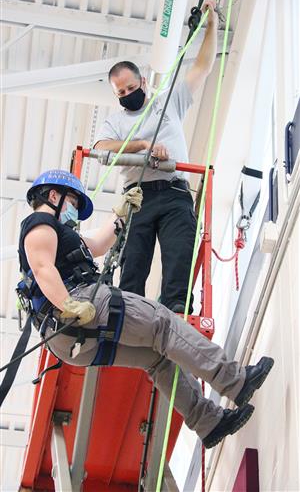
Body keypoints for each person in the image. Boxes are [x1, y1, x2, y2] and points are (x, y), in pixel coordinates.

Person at [17, 169, 274, 449]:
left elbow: (99, 245)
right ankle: (234, 380)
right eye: (73, 202)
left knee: (157, 358)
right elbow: (43, 268)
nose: (74, 209)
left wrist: (122, 214)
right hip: (78, 307)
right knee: (162, 321)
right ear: (53, 195)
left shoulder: (64, 234)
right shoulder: (40, 223)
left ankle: (208, 422)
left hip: (72, 342)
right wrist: (68, 304)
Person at [94, 0, 219, 314]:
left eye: (131, 88)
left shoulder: (169, 101)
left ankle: (176, 308)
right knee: (133, 261)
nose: (126, 95)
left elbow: (203, 66)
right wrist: (141, 146)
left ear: (144, 82)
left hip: (175, 193)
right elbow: (101, 148)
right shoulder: (117, 122)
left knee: (180, 252)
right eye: (120, 93)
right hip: (138, 198)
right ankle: (129, 315)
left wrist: (212, 25)